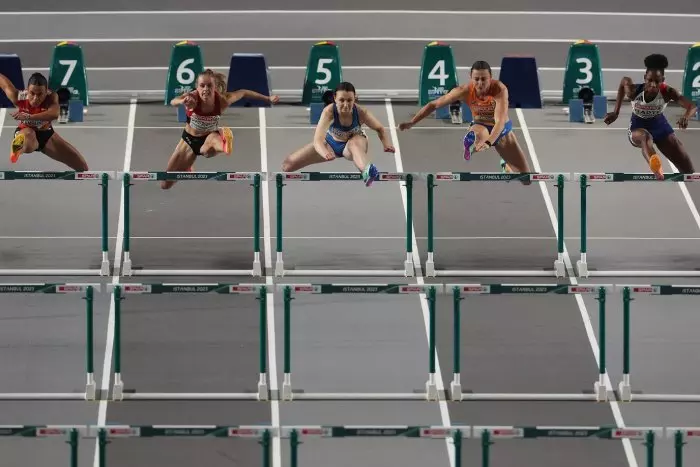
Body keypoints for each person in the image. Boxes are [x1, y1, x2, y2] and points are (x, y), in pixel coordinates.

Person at [398, 60, 532, 175]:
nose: (480, 83)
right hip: (481, 125)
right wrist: (412, 122)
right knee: (478, 134)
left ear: (490, 78)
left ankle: (506, 165)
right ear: (471, 77)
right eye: (476, 79)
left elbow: (500, 121)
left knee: (526, 178)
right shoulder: (463, 90)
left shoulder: (499, 89)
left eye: (484, 79)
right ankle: (472, 139)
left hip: (502, 130)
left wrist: (489, 143)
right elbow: (434, 105)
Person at [164, 68, 279, 189]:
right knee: (165, 184)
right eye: (202, 86)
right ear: (196, 87)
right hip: (187, 140)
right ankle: (186, 169)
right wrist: (182, 100)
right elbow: (173, 101)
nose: (205, 89)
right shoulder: (191, 97)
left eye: (209, 86)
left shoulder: (223, 101)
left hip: (209, 138)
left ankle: (224, 142)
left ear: (214, 87)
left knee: (206, 151)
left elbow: (244, 92)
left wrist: (268, 98)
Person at [281, 82, 394, 187]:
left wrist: (386, 144)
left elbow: (380, 129)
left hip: (353, 146)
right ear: (335, 98)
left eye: (349, 100)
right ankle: (366, 169)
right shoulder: (329, 111)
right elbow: (318, 140)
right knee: (287, 165)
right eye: (342, 100)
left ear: (355, 98)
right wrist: (325, 153)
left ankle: (368, 171)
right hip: (331, 144)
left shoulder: (361, 113)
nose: (346, 105)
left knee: (354, 143)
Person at [604, 53, 696, 179]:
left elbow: (692, 106)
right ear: (644, 78)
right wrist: (616, 112)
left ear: (663, 80)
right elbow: (623, 81)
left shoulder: (667, 92)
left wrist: (686, 116)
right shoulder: (633, 91)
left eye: (657, 81)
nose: (653, 85)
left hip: (659, 126)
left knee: (688, 171)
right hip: (638, 127)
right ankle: (656, 168)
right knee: (645, 137)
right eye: (650, 80)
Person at [0, 72, 88, 171]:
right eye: (32, 93)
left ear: (46, 91)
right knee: (29, 138)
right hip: (25, 131)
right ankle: (17, 149)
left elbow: (54, 113)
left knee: (82, 168)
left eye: (40, 94)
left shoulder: (51, 97)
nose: (35, 98)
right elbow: (4, 83)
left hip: (46, 135)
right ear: (27, 90)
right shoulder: (17, 96)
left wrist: (29, 117)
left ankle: (24, 146)